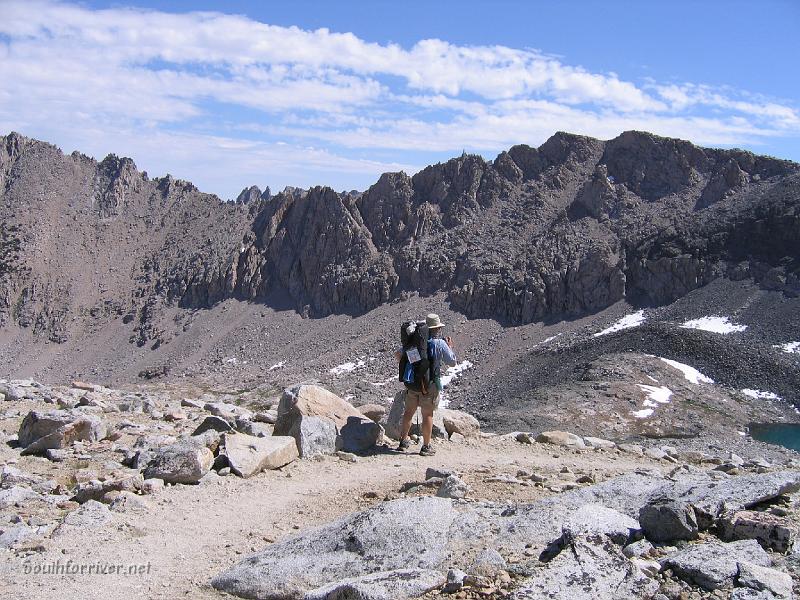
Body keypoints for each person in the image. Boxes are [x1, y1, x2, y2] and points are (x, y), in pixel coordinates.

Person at [396, 313, 457, 456]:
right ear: (436, 329)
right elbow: (452, 362)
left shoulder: (413, 341)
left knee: (409, 412)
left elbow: (398, 355)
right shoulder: (439, 343)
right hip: (429, 385)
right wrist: (449, 347)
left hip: (413, 383)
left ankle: (403, 441)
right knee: (427, 415)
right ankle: (426, 446)